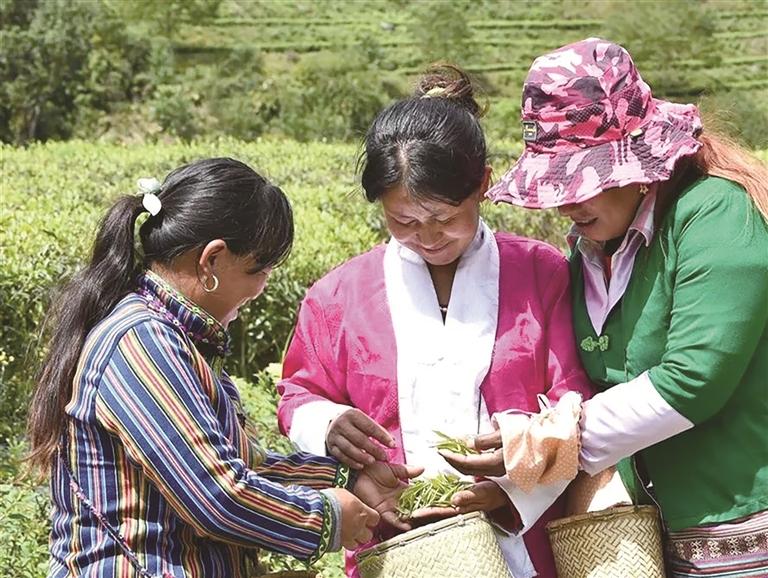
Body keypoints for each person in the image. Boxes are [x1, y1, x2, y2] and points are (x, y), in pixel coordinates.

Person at [27, 157, 420, 578]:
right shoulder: (142, 340)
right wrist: (328, 517)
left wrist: (348, 478)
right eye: (259, 269)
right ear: (212, 260)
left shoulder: (179, 340)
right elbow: (215, 495)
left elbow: (241, 467)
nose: (261, 287)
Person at [276, 66, 594, 578]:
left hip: (524, 546)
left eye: (445, 218)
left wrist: (508, 489)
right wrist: (329, 427)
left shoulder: (541, 273)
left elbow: (572, 400)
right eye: (403, 221)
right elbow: (299, 395)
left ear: (483, 185)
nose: (427, 237)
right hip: (396, 542)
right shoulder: (338, 295)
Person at [473, 37, 768, 577]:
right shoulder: (592, 250)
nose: (567, 203)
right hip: (654, 539)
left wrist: (553, 440)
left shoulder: (717, 216)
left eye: (582, 180)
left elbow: (693, 380)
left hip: (745, 535)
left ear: (637, 163)